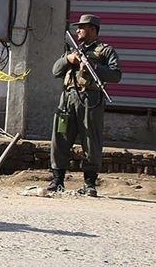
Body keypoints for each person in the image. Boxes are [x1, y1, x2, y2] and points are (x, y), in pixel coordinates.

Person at [47, 14, 122, 196]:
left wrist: (92, 67)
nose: (78, 30)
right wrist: (68, 60)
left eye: (82, 27)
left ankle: (90, 183)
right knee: (60, 138)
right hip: (68, 99)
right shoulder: (73, 50)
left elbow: (116, 75)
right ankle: (57, 180)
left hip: (91, 100)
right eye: (78, 27)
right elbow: (55, 71)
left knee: (91, 141)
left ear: (92, 29)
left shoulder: (105, 51)